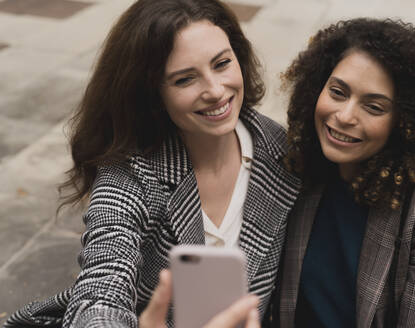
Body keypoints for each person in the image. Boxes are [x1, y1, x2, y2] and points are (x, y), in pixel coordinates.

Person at [4, 0, 300, 327]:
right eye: (185, 79)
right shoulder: (131, 175)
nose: (216, 91)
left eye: (222, 63)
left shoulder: (283, 154)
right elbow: (101, 287)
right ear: (152, 94)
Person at [273, 18, 415, 327]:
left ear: (406, 123)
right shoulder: (304, 170)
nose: (344, 116)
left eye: (373, 107)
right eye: (337, 92)